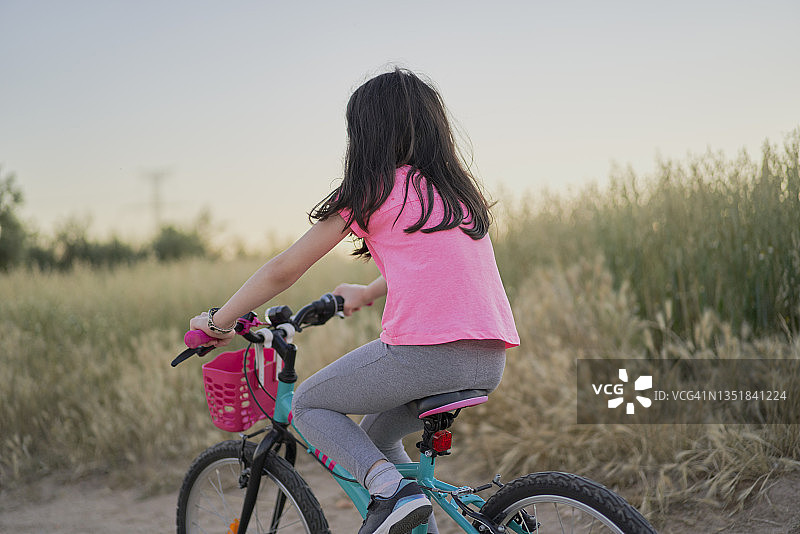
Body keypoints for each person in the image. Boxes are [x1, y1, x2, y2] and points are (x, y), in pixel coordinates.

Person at [189, 67, 519, 534]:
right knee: (376, 440)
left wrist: (218, 322)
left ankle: (392, 494)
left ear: (365, 134)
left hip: (426, 355)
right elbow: (439, 266)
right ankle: (409, 506)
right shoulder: (457, 192)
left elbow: (285, 268)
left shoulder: (369, 191)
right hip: (488, 359)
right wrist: (367, 292)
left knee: (309, 406)